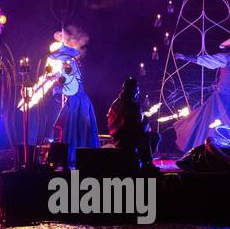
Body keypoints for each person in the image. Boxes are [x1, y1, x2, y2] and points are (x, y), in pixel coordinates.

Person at [171, 34, 230, 154]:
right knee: (212, 123)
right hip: (220, 98)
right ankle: (209, 151)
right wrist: (185, 57)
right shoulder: (224, 58)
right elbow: (205, 60)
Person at [46, 30, 99, 167]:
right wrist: (54, 80)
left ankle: (74, 156)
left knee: (75, 127)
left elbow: (70, 86)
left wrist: (56, 89)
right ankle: (74, 155)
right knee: (72, 126)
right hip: (78, 100)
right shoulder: (69, 66)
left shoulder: (69, 66)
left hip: (77, 101)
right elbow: (65, 80)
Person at [106, 77, 156, 169]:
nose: (138, 92)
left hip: (118, 137)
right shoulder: (130, 104)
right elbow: (135, 126)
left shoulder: (117, 102)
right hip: (126, 139)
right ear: (131, 90)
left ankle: (144, 160)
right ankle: (147, 163)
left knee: (145, 135)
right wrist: (145, 121)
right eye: (136, 90)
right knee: (153, 137)